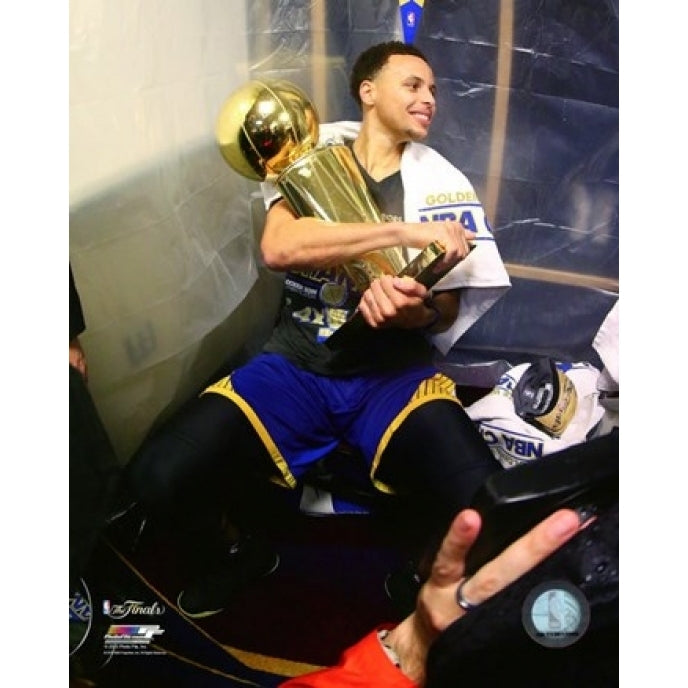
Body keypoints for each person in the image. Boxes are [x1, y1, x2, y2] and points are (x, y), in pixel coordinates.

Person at [122, 40, 511, 619]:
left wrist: (418, 311)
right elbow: (280, 247)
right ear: (368, 91)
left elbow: (448, 308)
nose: (429, 99)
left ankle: (421, 574)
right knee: (157, 476)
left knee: (483, 500)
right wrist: (397, 234)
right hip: (296, 368)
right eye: (413, 85)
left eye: (434, 90)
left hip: (391, 378)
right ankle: (237, 553)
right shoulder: (311, 151)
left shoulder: (443, 183)